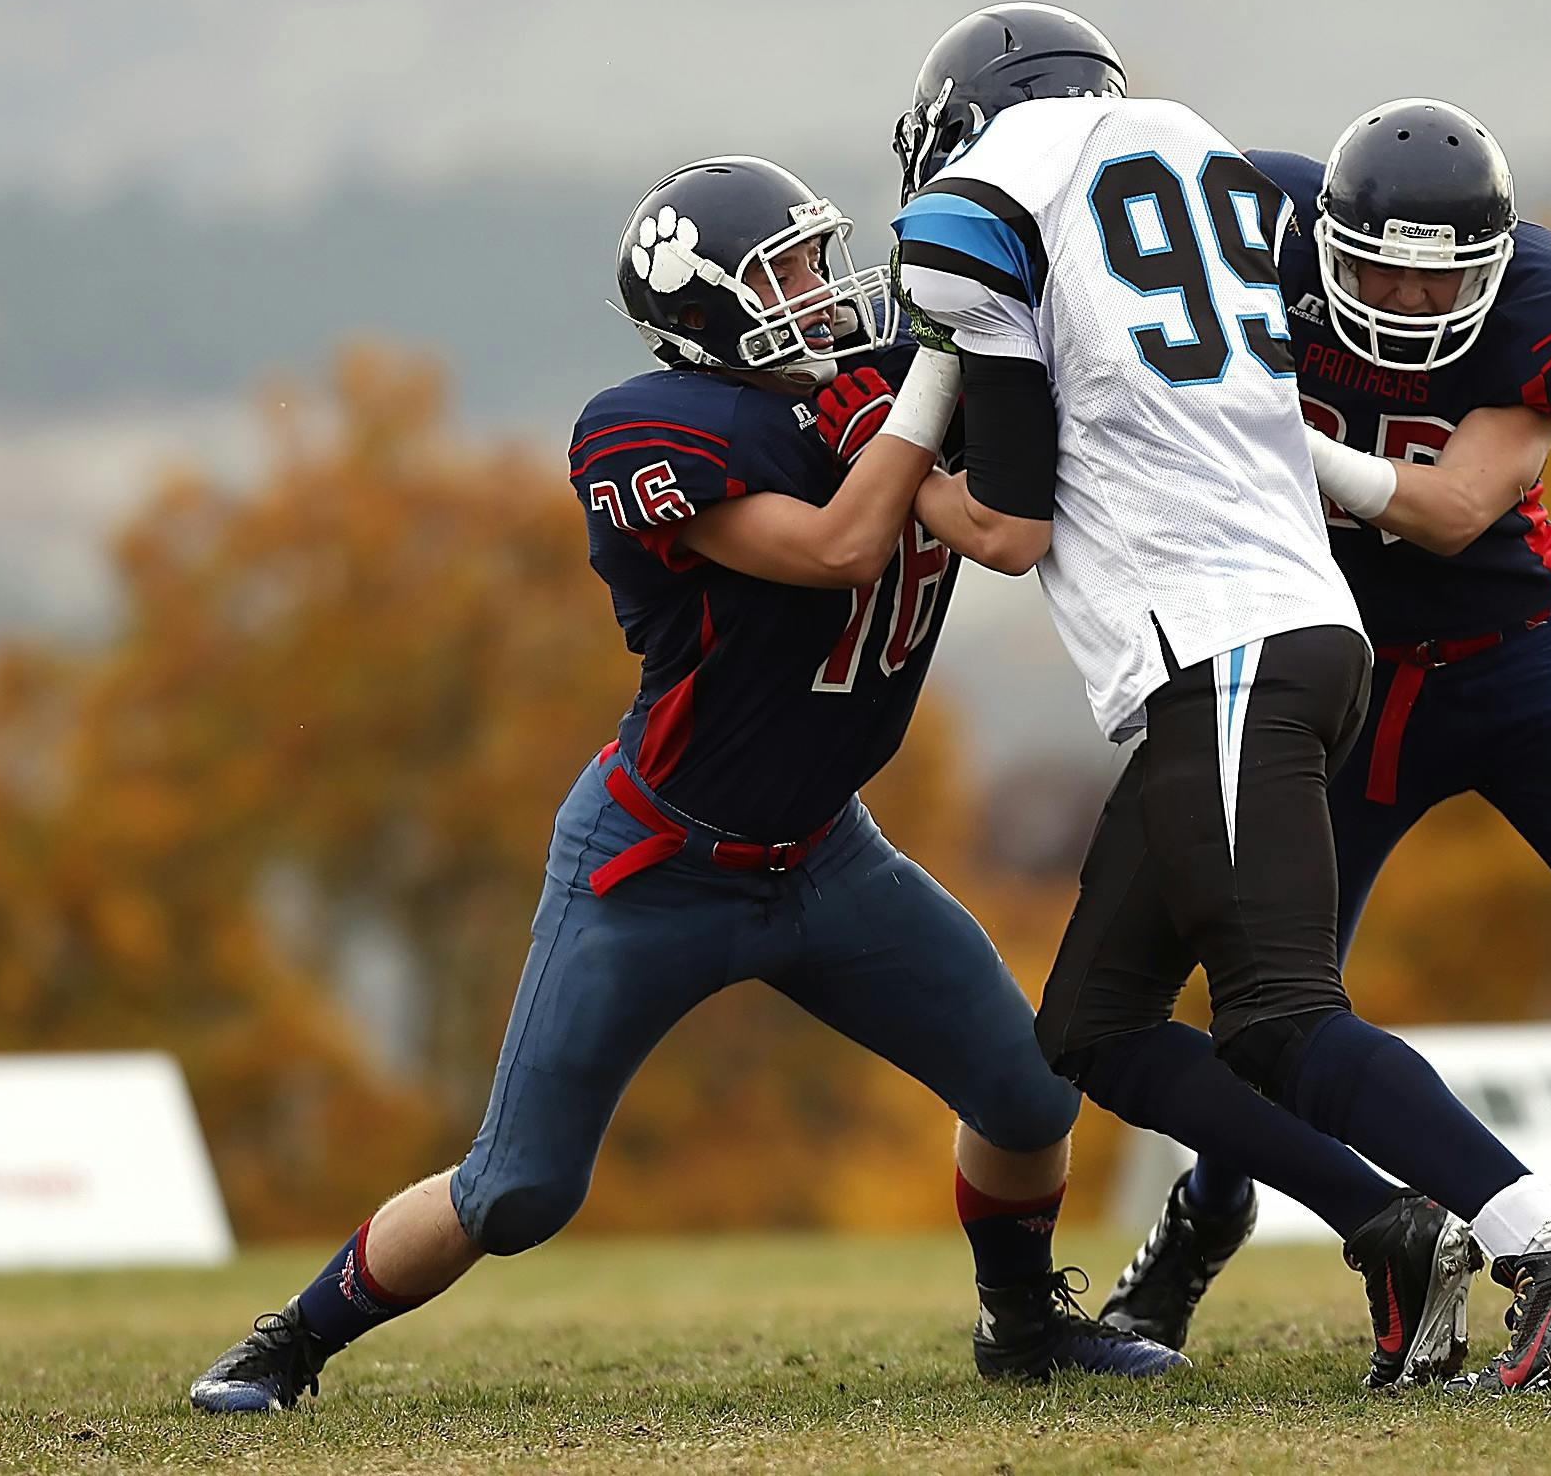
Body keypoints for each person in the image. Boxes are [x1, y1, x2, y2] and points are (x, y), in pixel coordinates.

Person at [187, 155, 1186, 1414]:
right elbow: (838, 546)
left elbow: (1015, 497)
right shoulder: (656, 431)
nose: (825, 294)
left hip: (828, 854)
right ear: (702, 313)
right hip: (655, 864)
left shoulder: (878, 380)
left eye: (822, 262)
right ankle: (285, 1344)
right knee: (519, 1191)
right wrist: (939, 371)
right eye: (788, 274)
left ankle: (1021, 1324)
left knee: (1029, 1090)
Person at [889, 6, 1551, 1393]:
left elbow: (1008, 524)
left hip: (1224, 643)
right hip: (1278, 630)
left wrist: (890, 460)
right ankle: (1389, 1232)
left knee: (1280, 1016)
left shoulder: (985, 196)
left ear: (966, 117)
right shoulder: (1195, 152)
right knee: (1096, 1031)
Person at [1101, 99, 1551, 1355]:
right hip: (1327, 676)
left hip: (1515, 664)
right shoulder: (1241, 227)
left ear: (1501, 264)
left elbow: (1447, 512)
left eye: (1439, 275)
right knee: (1266, 1015)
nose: (1402, 298)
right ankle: (1200, 1222)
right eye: (1375, 263)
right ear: (1321, 236)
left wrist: (1262, 429)